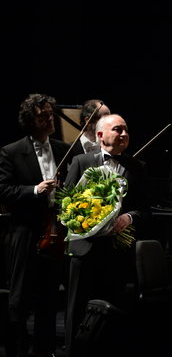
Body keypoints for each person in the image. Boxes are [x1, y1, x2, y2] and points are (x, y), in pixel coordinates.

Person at [63, 114, 150, 357]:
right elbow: (66, 203)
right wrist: (84, 217)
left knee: (113, 309)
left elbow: (145, 209)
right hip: (84, 248)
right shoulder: (81, 161)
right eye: (117, 129)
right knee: (77, 308)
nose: (124, 134)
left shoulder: (138, 167)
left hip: (117, 250)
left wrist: (128, 217)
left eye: (126, 130)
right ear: (100, 135)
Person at [0, 93, 71, 357]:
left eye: (51, 114)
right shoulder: (11, 152)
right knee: (20, 300)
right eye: (43, 116)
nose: (50, 120)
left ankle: (45, 350)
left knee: (49, 299)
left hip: (55, 234)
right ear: (30, 120)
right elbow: (4, 191)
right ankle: (17, 350)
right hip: (26, 233)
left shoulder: (64, 149)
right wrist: (34, 190)